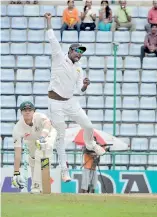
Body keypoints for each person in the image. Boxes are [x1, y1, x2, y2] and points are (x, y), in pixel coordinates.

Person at [44, 13, 106, 182]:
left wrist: (85, 85)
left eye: (81, 52)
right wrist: (48, 21)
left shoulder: (79, 67)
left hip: (71, 101)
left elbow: (80, 88)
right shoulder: (58, 58)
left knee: (88, 125)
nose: (79, 54)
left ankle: (91, 144)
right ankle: (64, 171)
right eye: (77, 51)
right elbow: (52, 39)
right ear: (70, 51)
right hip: (55, 102)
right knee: (61, 137)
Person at [11, 101, 56, 194]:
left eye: (29, 110)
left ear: (33, 111)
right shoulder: (17, 128)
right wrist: (16, 173)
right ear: (21, 112)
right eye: (25, 110)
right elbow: (18, 152)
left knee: (41, 151)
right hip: (31, 140)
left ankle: (36, 185)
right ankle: (40, 186)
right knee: (33, 159)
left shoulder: (39, 116)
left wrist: (43, 136)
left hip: (48, 134)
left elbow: (48, 123)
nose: (27, 112)